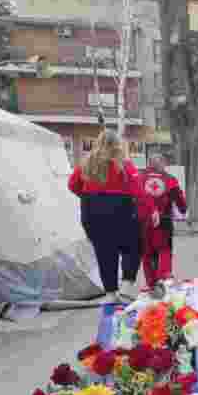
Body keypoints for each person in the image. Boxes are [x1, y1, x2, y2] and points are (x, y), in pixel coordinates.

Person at [68, 130, 141, 303]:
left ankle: (110, 293)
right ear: (118, 144)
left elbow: (72, 185)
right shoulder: (124, 164)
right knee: (133, 246)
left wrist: (88, 197)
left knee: (104, 251)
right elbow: (137, 189)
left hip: (92, 210)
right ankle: (126, 286)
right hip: (121, 208)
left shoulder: (86, 163)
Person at [137, 153, 186, 289]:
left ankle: (151, 284)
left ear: (148, 163)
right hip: (163, 220)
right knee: (164, 249)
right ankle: (163, 279)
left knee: (146, 253)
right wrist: (182, 209)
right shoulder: (170, 179)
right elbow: (179, 198)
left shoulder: (139, 178)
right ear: (163, 164)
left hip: (143, 221)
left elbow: (133, 197)